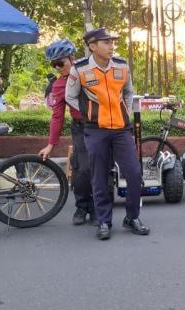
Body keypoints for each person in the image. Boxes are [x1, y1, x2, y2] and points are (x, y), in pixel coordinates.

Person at [66, 28, 149, 240]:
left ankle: (132, 217)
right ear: (92, 46)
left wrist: (125, 110)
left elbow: (129, 92)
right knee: (99, 176)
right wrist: (90, 113)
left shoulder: (121, 65)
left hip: (122, 129)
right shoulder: (80, 69)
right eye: (106, 42)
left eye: (112, 41)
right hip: (96, 130)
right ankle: (104, 221)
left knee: (134, 173)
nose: (111, 45)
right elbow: (70, 96)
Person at [37, 39, 94, 227]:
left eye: (60, 63)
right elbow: (57, 116)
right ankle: (82, 206)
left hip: (101, 126)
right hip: (81, 128)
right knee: (82, 168)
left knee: (102, 167)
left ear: (72, 58)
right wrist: (51, 144)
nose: (57, 67)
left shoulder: (90, 74)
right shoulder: (59, 85)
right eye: (54, 65)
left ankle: (98, 208)